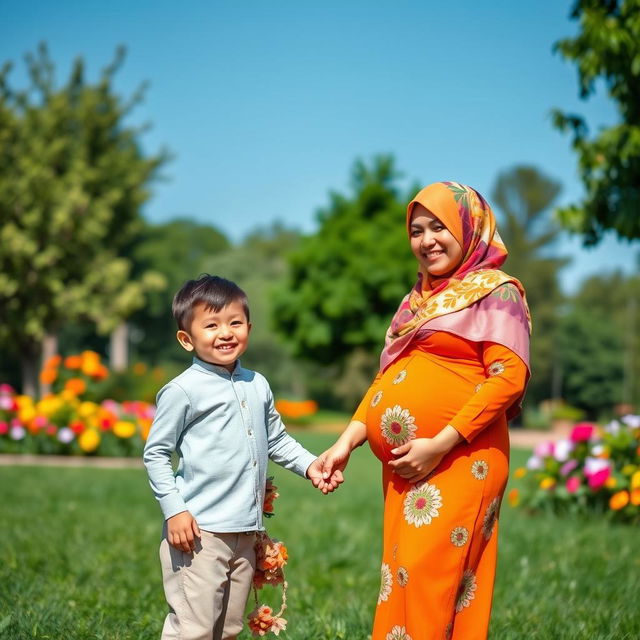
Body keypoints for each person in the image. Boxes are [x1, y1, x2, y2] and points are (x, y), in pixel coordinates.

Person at [319, 182, 531, 640]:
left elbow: (508, 377)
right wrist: (346, 441)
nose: (426, 240)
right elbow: (384, 381)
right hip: (407, 466)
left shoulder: (497, 292)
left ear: (469, 228)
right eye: (417, 230)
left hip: (459, 456)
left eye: (439, 227)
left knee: (433, 577)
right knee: (402, 577)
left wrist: (440, 443)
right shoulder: (417, 301)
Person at [143, 275, 338, 640]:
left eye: (234, 322)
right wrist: (174, 509)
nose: (225, 332)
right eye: (211, 324)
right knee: (194, 628)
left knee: (229, 628)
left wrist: (311, 465)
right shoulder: (183, 391)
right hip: (198, 533)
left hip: (245, 531)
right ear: (187, 339)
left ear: (248, 327)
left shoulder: (256, 384)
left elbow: (276, 439)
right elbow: (155, 453)